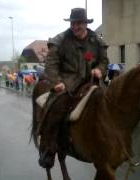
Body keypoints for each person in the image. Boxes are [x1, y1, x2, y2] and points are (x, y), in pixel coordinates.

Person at [38, 7, 109, 168]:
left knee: (110, 104)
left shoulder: (96, 41)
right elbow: (51, 64)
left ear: (85, 23)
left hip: (91, 81)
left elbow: (104, 61)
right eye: (73, 23)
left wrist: (100, 70)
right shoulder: (61, 40)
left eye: (78, 23)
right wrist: (56, 82)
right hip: (67, 82)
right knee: (56, 109)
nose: (75, 27)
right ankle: (48, 149)